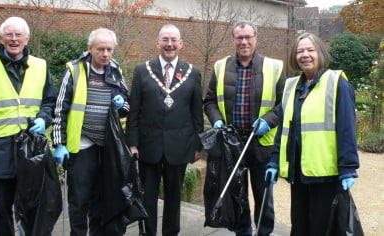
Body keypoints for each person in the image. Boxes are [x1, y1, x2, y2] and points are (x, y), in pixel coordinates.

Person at [0, 16, 56, 235]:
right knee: (3, 211)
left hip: (31, 151)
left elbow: (50, 101)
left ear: (27, 38)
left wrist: (44, 117)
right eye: (9, 34)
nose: (14, 39)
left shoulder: (40, 67)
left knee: (33, 208)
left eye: (18, 35)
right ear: (1, 38)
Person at [265, 32, 359, 235]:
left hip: (326, 174)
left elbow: (346, 128)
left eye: (310, 50)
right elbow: (283, 128)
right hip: (299, 172)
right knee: (300, 227)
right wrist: (274, 160)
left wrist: (348, 166)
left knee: (322, 228)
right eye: (300, 51)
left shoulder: (336, 83)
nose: (305, 55)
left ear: (320, 52)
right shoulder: (291, 86)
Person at [203, 20, 286, 236]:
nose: (244, 41)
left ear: (256, 38)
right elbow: (209, 100)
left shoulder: (275, 67)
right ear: (233, 40)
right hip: (232, 145)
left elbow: (284, 104)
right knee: (237, 195)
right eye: (239, 38)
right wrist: (216, 120)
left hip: (262, 144)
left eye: (248, 37)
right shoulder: (221, 66)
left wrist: (269, 120)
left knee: (263, 196)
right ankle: (243, 232)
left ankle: (263, 232)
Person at [126, 24, 204, 236]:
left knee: (174, 198)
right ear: (157, 42)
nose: (169, 44)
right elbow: (135, 110)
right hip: (147, 147)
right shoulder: (142, 71)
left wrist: (198, 145)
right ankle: (148, 233)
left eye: (173, 40)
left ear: (180, 44)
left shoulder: (193, 72)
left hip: (179, 147)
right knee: (147, 197)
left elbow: (197, 113)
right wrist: (132, 143)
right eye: (165, 40)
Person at [51, 27, 129, 235]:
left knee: (101, 200)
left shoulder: (116, 70)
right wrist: (59, 144)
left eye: (109, 50)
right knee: (79, 201)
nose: (105, 54)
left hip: (108, 147)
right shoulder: (75, 70)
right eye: (101, 49)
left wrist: (122, 105)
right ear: (90, 48)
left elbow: (127, 107)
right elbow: (60, 109)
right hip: (82, 146)